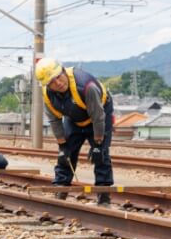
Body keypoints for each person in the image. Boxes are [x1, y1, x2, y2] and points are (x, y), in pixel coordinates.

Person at [35, 57, 114, 205]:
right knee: (66, 155)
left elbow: (98, 117)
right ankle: (61, 187)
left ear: (63, 71)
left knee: (101, 154)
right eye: (52, 82)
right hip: (74, 117)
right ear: (47, 85)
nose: (58, 83)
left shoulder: (86, 86)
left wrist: (97, 144)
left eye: (58, 77)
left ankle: (103, 194)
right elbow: (54, 120)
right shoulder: (48, 95)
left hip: (99, 116)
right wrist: (62, 145)